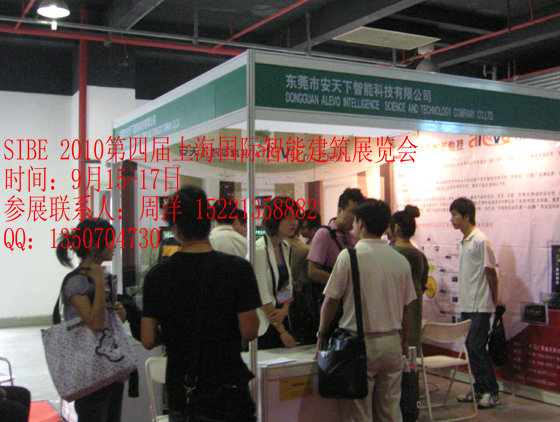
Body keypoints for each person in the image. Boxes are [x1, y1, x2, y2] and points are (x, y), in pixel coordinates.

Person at [141, 185, 261, 422]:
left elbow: (147, 339)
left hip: (184, 391)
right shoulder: (238, 269)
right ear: (209, 222)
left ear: (176, 228)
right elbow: (250, 331)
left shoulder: (157, 276)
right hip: (228, 388)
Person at [316, 199, 416, 422]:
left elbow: (331, 301)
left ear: (360, 223)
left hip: (359, 344)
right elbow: (406, 308)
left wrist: (321, 334)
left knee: (358, 413)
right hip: (392, 342)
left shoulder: (349, 256)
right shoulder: (400, 260)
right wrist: (404, 340)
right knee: (390, 410)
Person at [55, 218, 127, 422]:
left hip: (110, 365)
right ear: (95, 245)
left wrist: (119, 312)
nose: (113, 246)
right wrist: (99, 283)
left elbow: (108, 321)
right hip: (89, 370)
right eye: (109, 241)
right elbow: (95, 324)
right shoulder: (77, 282)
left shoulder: (100, 278)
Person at [450, 197, 500, 408]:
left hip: (480, 304)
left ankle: (491, 391)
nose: (452, 220)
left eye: (455, 215)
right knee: (471, 349)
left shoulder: (481, 240)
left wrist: (494, 299)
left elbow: (491, 272)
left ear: (467, 216)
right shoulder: (463, 242)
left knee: (476, 347)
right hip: (467, 304)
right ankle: (480, 389)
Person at [307, 188, 365, 329]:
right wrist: (341, 283)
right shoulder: (324, 234)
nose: (355, 218)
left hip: (349, 305)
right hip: (330, 304)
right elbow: (313, 271)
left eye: (358, 214)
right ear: (340, 210)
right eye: (352, 212)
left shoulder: (353, 237)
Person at [253, 197, 298, 349]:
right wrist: (281, 330)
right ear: (275, 219)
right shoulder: (258, 250)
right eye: (289, 217)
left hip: (281, 318)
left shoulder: (285, 247)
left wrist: (284, 310)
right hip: (264, 325)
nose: (294, 222)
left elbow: (286, 284)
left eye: (295, 217)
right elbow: (262, 295)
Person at [388, 205, 428, 350]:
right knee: (411, 354)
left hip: (395, 313)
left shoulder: (391, 254)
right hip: (414, 312)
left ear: (396, 228)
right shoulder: (420, 256)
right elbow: (422, 286)